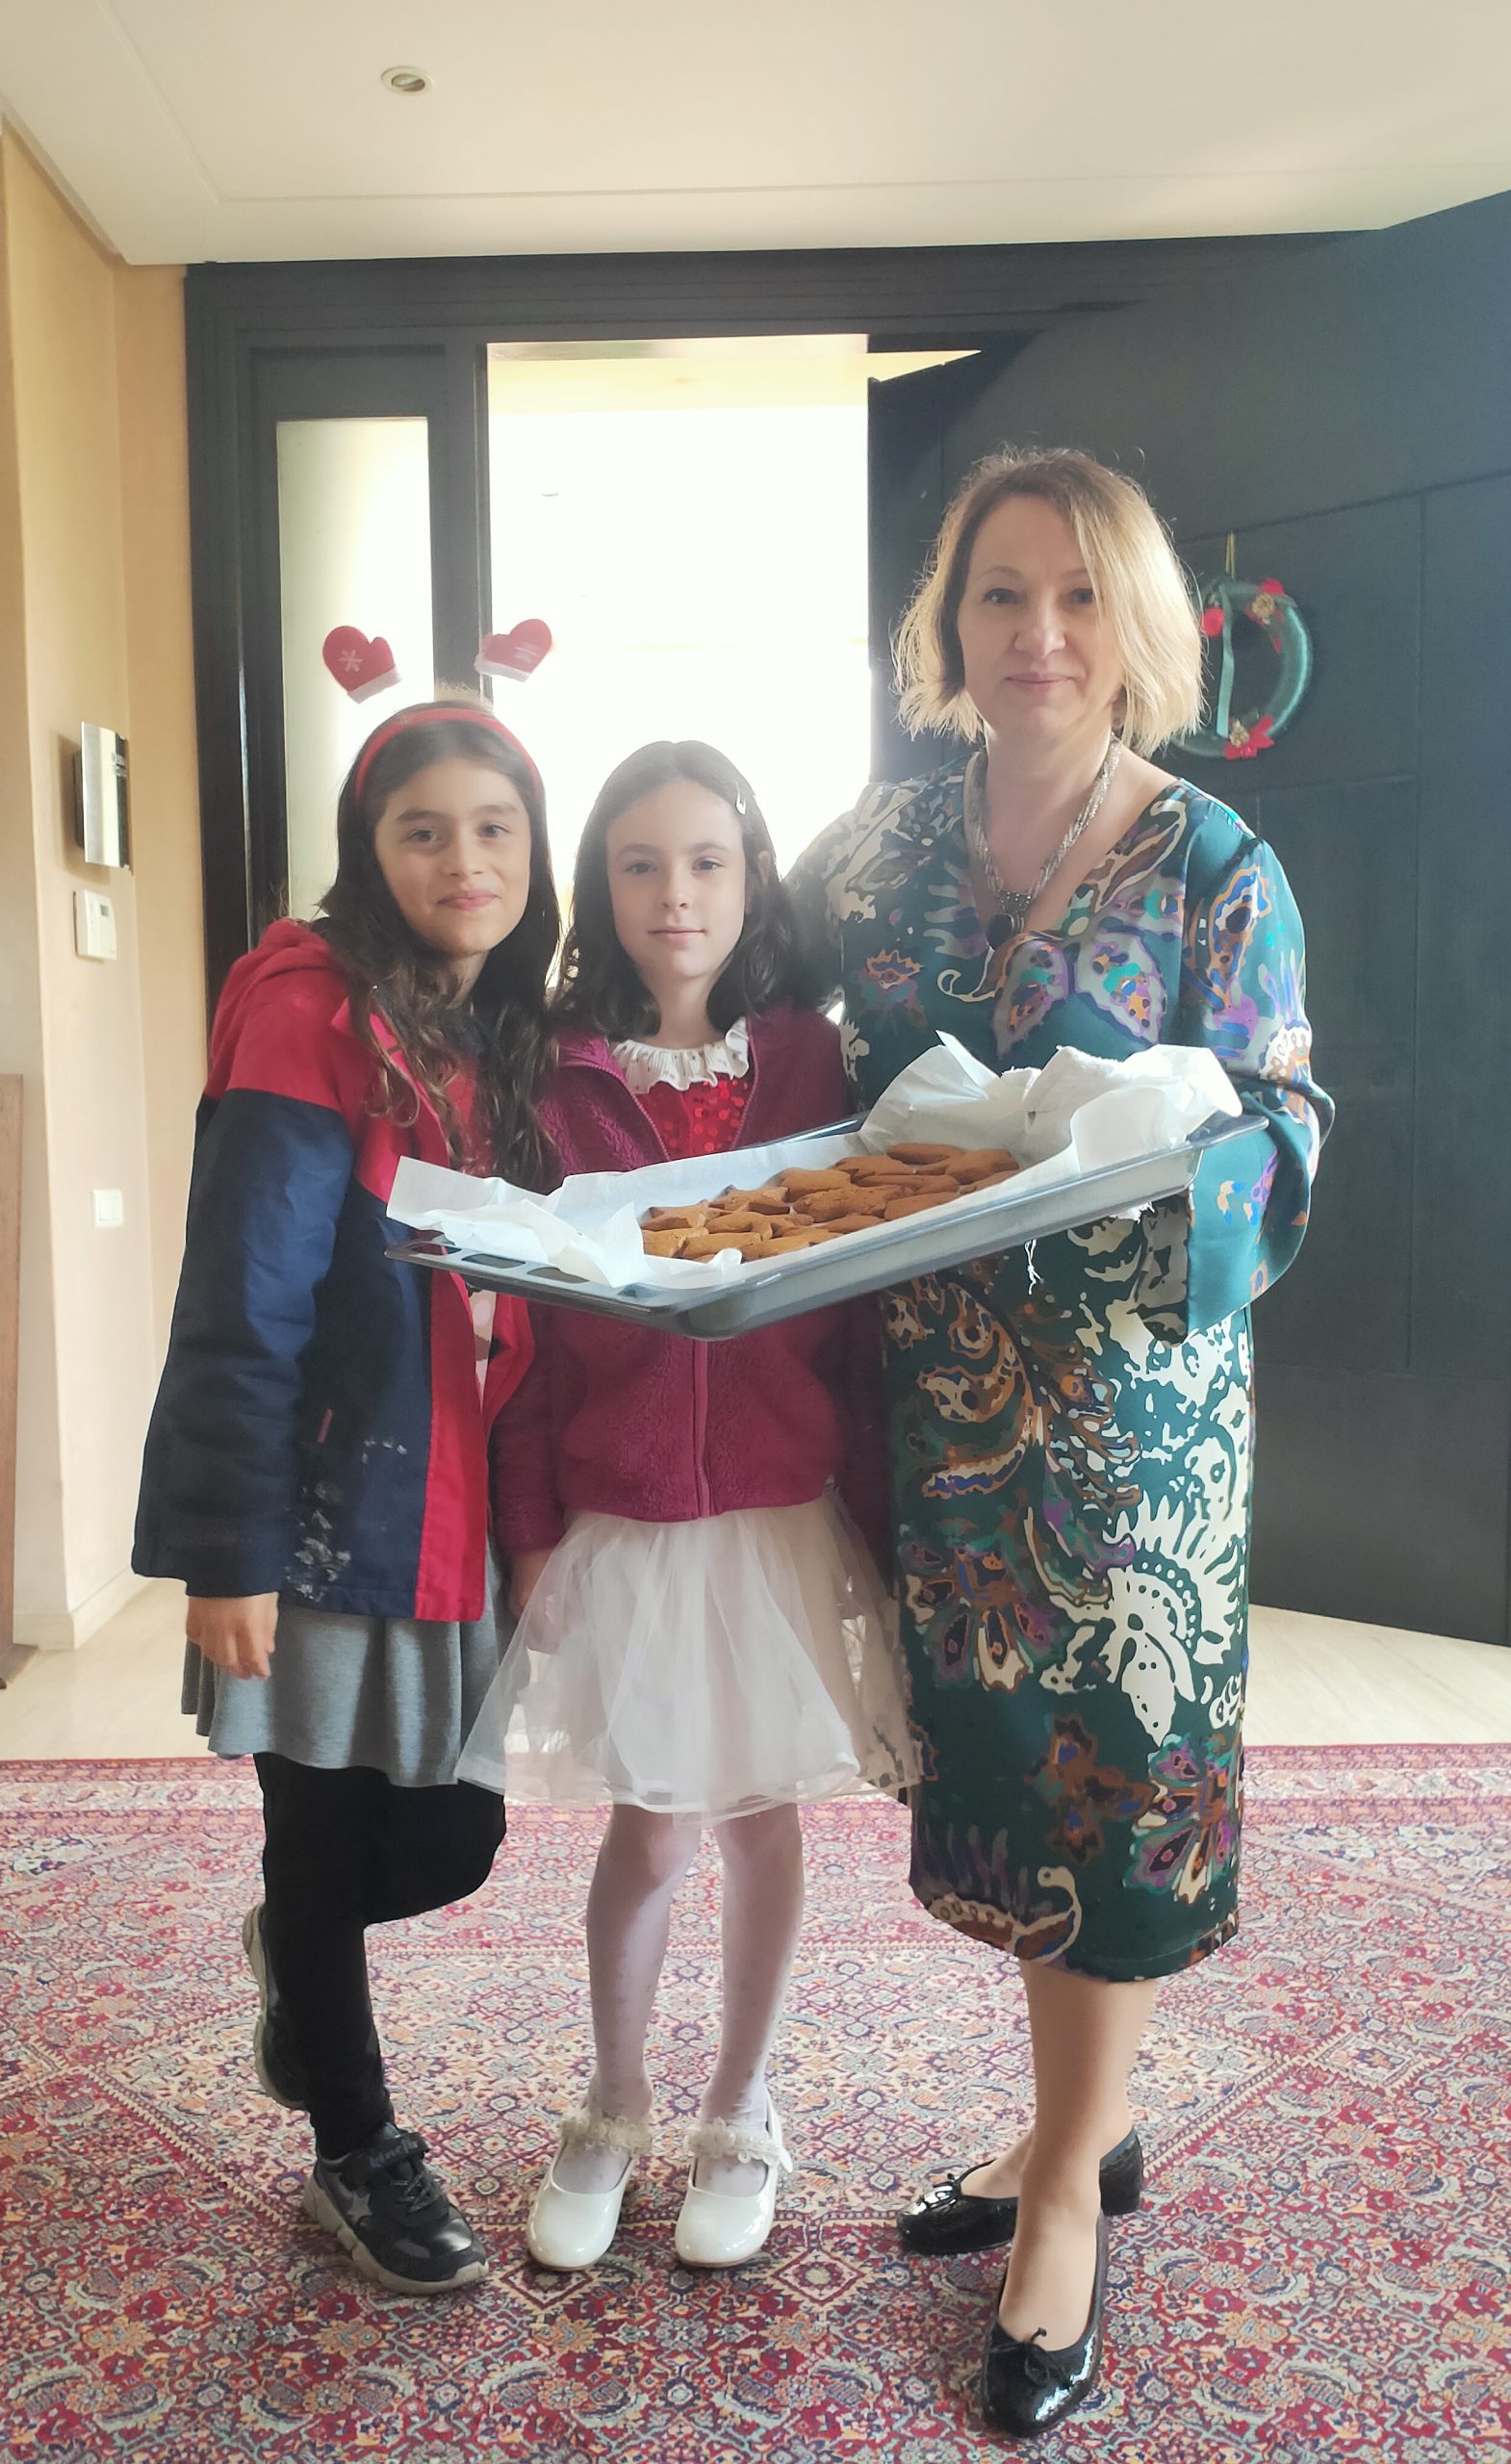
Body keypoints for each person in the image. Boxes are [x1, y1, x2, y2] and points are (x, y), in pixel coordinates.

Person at [791, 450, 1333, 2436]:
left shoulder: (1214, 863)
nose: (1039, 634)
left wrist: (1154, 1159)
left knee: (1112, 1784)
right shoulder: (870, 852)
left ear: (1143, 625)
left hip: (1129, 1411)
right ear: (948, 622)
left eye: (1082, 595)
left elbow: (1286, 1118)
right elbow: (786, 1062)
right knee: (1014, 1784)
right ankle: (1074, 2127)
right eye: (1001, 593)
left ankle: (1069, 2202)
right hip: (937, 1400)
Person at [459, 739, 915, 2274]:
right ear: (601, 885)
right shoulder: (554, 1072)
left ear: (752, 877)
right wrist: (531, 1530)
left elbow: (855, 1317)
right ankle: (613, 2101)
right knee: (651, 1834)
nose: (676, 895)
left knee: (764, 1824)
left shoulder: (811, 1065)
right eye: (641, 864)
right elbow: (526, 1330)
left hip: (780, 1513)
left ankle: (743, 2105)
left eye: (708, 862)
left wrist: (883, 1529)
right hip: (628, 1518)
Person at [134, 695, 559, 2296]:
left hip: (453, 1503)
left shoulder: (487, 1022)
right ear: (367, 850)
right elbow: (241, 1296)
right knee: (318, 1837)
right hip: (322, 1509)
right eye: (423, 830)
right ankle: (357, 2145)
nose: (464, 861)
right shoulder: (306, 1011)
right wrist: (227, 1553)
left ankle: (295, 1969)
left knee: (451, 1836)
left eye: (496, 829)